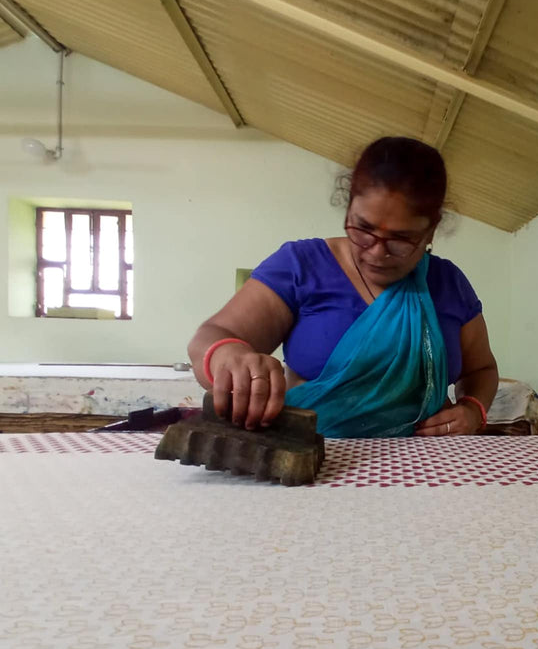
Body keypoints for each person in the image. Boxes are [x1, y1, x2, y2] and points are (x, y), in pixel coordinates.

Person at [188, 136, 499, 438]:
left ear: (431, 230)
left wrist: (473, 410)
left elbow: (482, 369)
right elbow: (211, 337)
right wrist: (231, 357)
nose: (377, 252)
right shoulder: (302, 266)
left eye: (401, 239)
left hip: (426, 470)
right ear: (349, 206)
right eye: (363, 229)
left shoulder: (448, 284)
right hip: (309, 460)